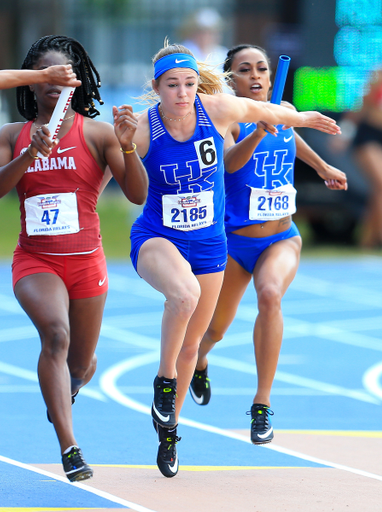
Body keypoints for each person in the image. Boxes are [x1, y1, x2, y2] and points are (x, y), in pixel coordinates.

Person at [128, 41, 341, 478]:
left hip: (237, 240)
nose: (182, 92)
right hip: (186, 236)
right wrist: (125, 149)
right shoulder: (161, 125)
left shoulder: (225, 108)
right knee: (197, 316)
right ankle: (178, 375)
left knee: (236, 317)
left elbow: (281, 122)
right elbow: (219, 166)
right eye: (172, 85)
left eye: (189, 83)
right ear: (158, 87)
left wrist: (303, 125)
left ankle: (196, 424)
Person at [0, 35, 148, 482]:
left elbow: (137, 195)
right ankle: (70, 447)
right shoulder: (11, 135)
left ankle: (66, 390)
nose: (55, 87)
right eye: (47, 79)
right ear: (33, 84)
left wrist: (129, 146)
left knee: (81, 363)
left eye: (64, 79)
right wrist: (28, 155)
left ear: (76, 85)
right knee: (55, 335)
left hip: (87, 263)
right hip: (36, 261)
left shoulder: (96, 134)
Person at [189, 44, 347, 446]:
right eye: (246, 70)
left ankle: (261, 405)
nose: (257, 76)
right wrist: (258, 130)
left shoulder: (283, 107)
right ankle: (201, 359)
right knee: (215, 331)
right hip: (235, 243)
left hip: (280, 236)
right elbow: (228, 164)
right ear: (231, 78)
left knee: (271, 295)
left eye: (262, 68)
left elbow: (292, 138)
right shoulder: (226, 118)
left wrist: (323, 165)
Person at [331, 68, 382, 248]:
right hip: (371, 136)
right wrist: (344, 134)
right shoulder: (379, 74)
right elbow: (361, 106)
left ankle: (368, 240)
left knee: (377, 192)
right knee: (380, 184)